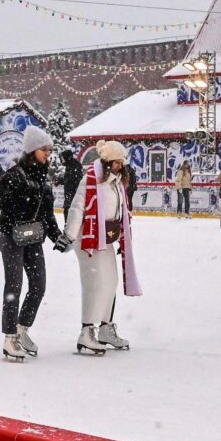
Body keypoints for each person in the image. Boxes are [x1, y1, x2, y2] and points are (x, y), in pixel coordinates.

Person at [0, 127, 70, 362]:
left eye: (49, 150)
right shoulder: (15, 175)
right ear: (32, 150)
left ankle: (22, 329)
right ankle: (9, 337)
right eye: (44, 149)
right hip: (12, 237)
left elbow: (47, 215)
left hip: (33, 238)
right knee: (14, 286)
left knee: (39, 286)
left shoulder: (43, 179)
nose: (48, 154)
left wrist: (58, 237)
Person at [74, 141, 141, 355]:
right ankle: (86, 331)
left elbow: (120, 212)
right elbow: (77, 207)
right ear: (107, 161)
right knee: (96, 283)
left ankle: (105, 328)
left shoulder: (117, 183)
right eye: (117, 162)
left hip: (105, 238)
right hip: (88, 237)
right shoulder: (91, 180)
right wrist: (68, 235)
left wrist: (122, 239)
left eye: (122, 162)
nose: (120, 165)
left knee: (111, 281)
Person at [58, 148, 82, 229]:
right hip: (69, 197)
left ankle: (70, 229)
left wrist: (71, 197)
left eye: (63, 158)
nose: (62, 161)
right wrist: (60, 180)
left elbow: (73, 181)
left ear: (67, 158)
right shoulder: (69, 166)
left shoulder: (75, 166)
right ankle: (68, 227)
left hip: (73, 197)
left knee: (71, 215)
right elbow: (68, 180)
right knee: (67, 213)